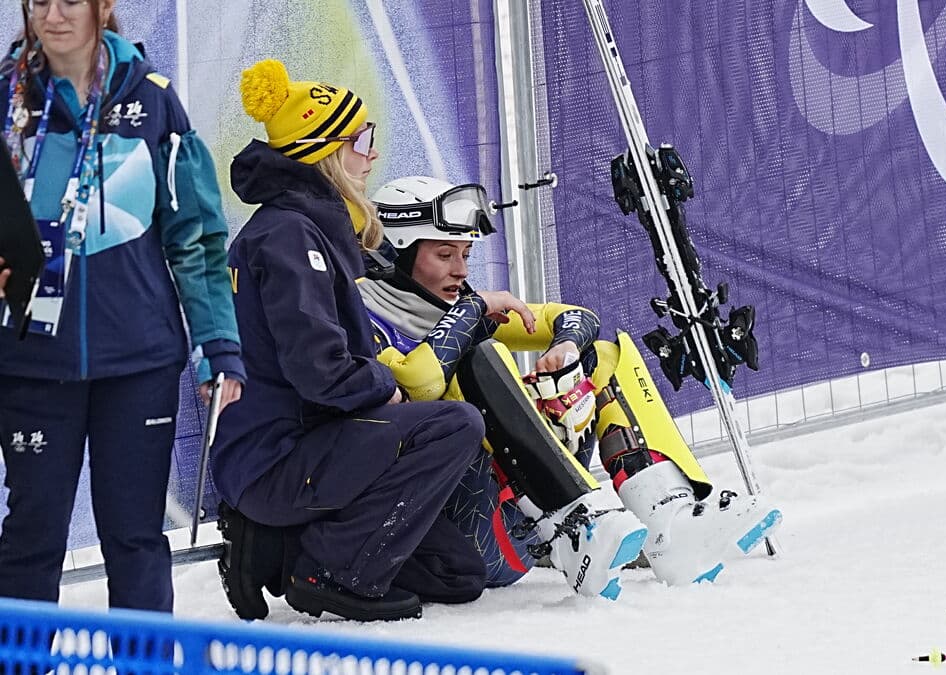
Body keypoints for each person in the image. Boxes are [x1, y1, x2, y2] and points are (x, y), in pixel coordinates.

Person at [360, 176, 783, 599]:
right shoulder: (361, 314)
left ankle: (669, 522)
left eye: (466, 254)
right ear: (397, 253)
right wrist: (473, 309)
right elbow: (420, 382)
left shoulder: (459, 307)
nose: (462, 270)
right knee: (479, 361)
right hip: (456, 541)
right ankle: (576, 527)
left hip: (518, 522)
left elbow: (578, 317)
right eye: (444, 254)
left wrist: (563, 349)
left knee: (600, 355)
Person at [209, 60, 487, 623]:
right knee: (454, 423)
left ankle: (276, 546)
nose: (373, 154)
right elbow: (320, 370)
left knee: (456, 575)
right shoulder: (287, 235)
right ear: (324, 150)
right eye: (362, 139)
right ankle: (329, 573)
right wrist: (386, 387)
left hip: (307, 447)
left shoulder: (306, 227)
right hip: (274, 460)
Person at [0, 0, 244, 613]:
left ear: (103, 6)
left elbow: (196, 237)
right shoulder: (7, 99)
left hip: (139, 361)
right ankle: (20, 659)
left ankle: (143, 659)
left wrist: (218, 346)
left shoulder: (152, 100)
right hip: (31, 361)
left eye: (69, 1)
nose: (52, 16)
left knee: (135, 538)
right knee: (31, 538)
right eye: (38, 1)